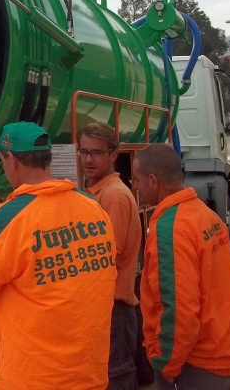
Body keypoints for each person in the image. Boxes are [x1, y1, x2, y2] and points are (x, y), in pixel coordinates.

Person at [0, 122, 117, 390]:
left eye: (2, 159)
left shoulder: (8, 219)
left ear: (12, 160)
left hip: (32, 378)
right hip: (87, 373)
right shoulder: (93, 207)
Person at [132, 144, 230, 390]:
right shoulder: (203, 214)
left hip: (199, 365)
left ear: (153, 181)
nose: (136, 187)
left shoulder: (171, 229)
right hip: (228, 351)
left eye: (137, 180)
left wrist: (166, 365)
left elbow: (178, 308)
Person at [77, 123, 142, 390]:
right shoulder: (97, 192)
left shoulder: (112, 196)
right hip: (105, 309)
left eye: (97, 153)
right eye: (84, 152)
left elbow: (104, 259)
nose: (88, 160)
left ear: (113, 155)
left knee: (115, 379)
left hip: (113, 309)